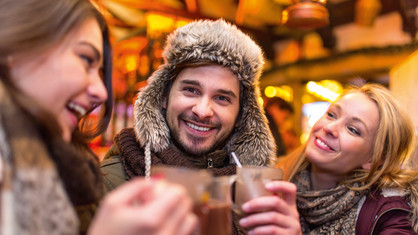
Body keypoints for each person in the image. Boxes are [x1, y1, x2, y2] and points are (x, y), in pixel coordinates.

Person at [0, 0, 197, 234]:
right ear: (17, 48)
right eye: (85, 59)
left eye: (223, 98)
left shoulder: (59, 166)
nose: (102, 92)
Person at [100, 19, 277, 233]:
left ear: (241, 115)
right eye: (191, 90)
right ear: (163, 96)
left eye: (222, 98)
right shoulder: (110, 186)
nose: (202, 111)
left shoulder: (251, 195)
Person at [239, 83, 418, 234]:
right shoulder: (275, 177)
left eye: (353, 129)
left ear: (373, 160)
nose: (330, 127)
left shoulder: (392, 214)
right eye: (331, 114)